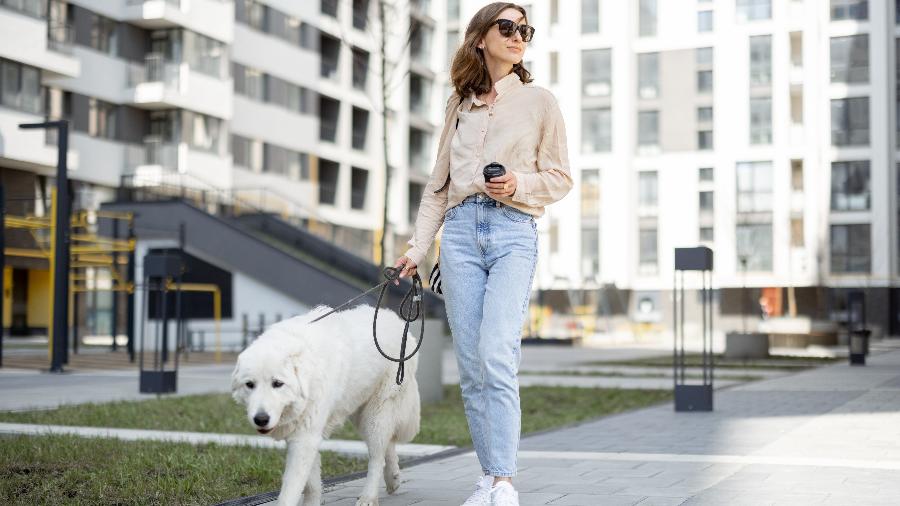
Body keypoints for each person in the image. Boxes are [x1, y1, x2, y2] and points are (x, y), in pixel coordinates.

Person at [393, 3, 572, 505]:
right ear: (480, 38)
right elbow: (436, 187)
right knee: (471, 365)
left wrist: (518, 182)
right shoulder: (458, 106)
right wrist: (415, 248)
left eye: (526, 30)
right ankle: (490, 476)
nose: (519, 37)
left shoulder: (540, 102)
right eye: (508, 28)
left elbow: (560, 178)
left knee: (497, 354)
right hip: (459, 236)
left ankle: (506, 482)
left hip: (514, 231)